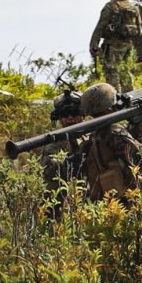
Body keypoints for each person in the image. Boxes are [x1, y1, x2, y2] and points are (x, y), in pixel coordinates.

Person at [78, 82, 142, 202]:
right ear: (109, 107)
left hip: (106, 200)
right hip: (126, 201)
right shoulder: (115, 132)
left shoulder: (94, 135)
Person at [89, 0, 142, 93]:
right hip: (129, 45)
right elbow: (140, 31)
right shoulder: (134, 8)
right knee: (127, 71)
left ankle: (115, 98)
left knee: (112, 71)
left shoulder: (110, 6)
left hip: (113, 45)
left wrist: (93, 45)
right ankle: (130, 96)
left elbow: (100, 27)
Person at [41, 90, 84, 221]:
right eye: (65, 114)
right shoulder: (54, 143)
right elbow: (50, 170)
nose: (70, 118)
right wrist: (73, 161)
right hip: (60, 206)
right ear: (58, 117)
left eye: (74, 113)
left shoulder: (89, 137)